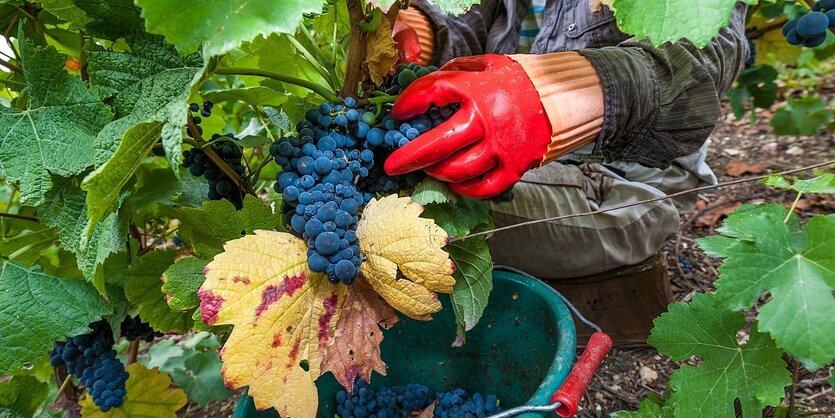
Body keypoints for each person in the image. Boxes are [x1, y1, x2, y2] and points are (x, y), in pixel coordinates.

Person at [387, 1, 749, 344]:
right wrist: (422, 30)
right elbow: (473, 13)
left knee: (397, 208)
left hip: (623, 190)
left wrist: (560, 96)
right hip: (541, 165)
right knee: (386, 187)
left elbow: (709, 51)